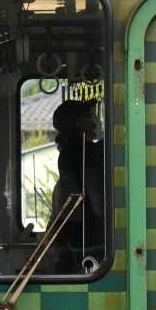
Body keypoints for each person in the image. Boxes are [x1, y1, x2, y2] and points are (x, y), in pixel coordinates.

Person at [49, 99, 106, 263]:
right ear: (75, 122)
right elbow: (98, 203)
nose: (95, 119)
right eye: (89, 115)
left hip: (76, 234)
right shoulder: (85, 153)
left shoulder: (67, 152)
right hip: (93, 239)